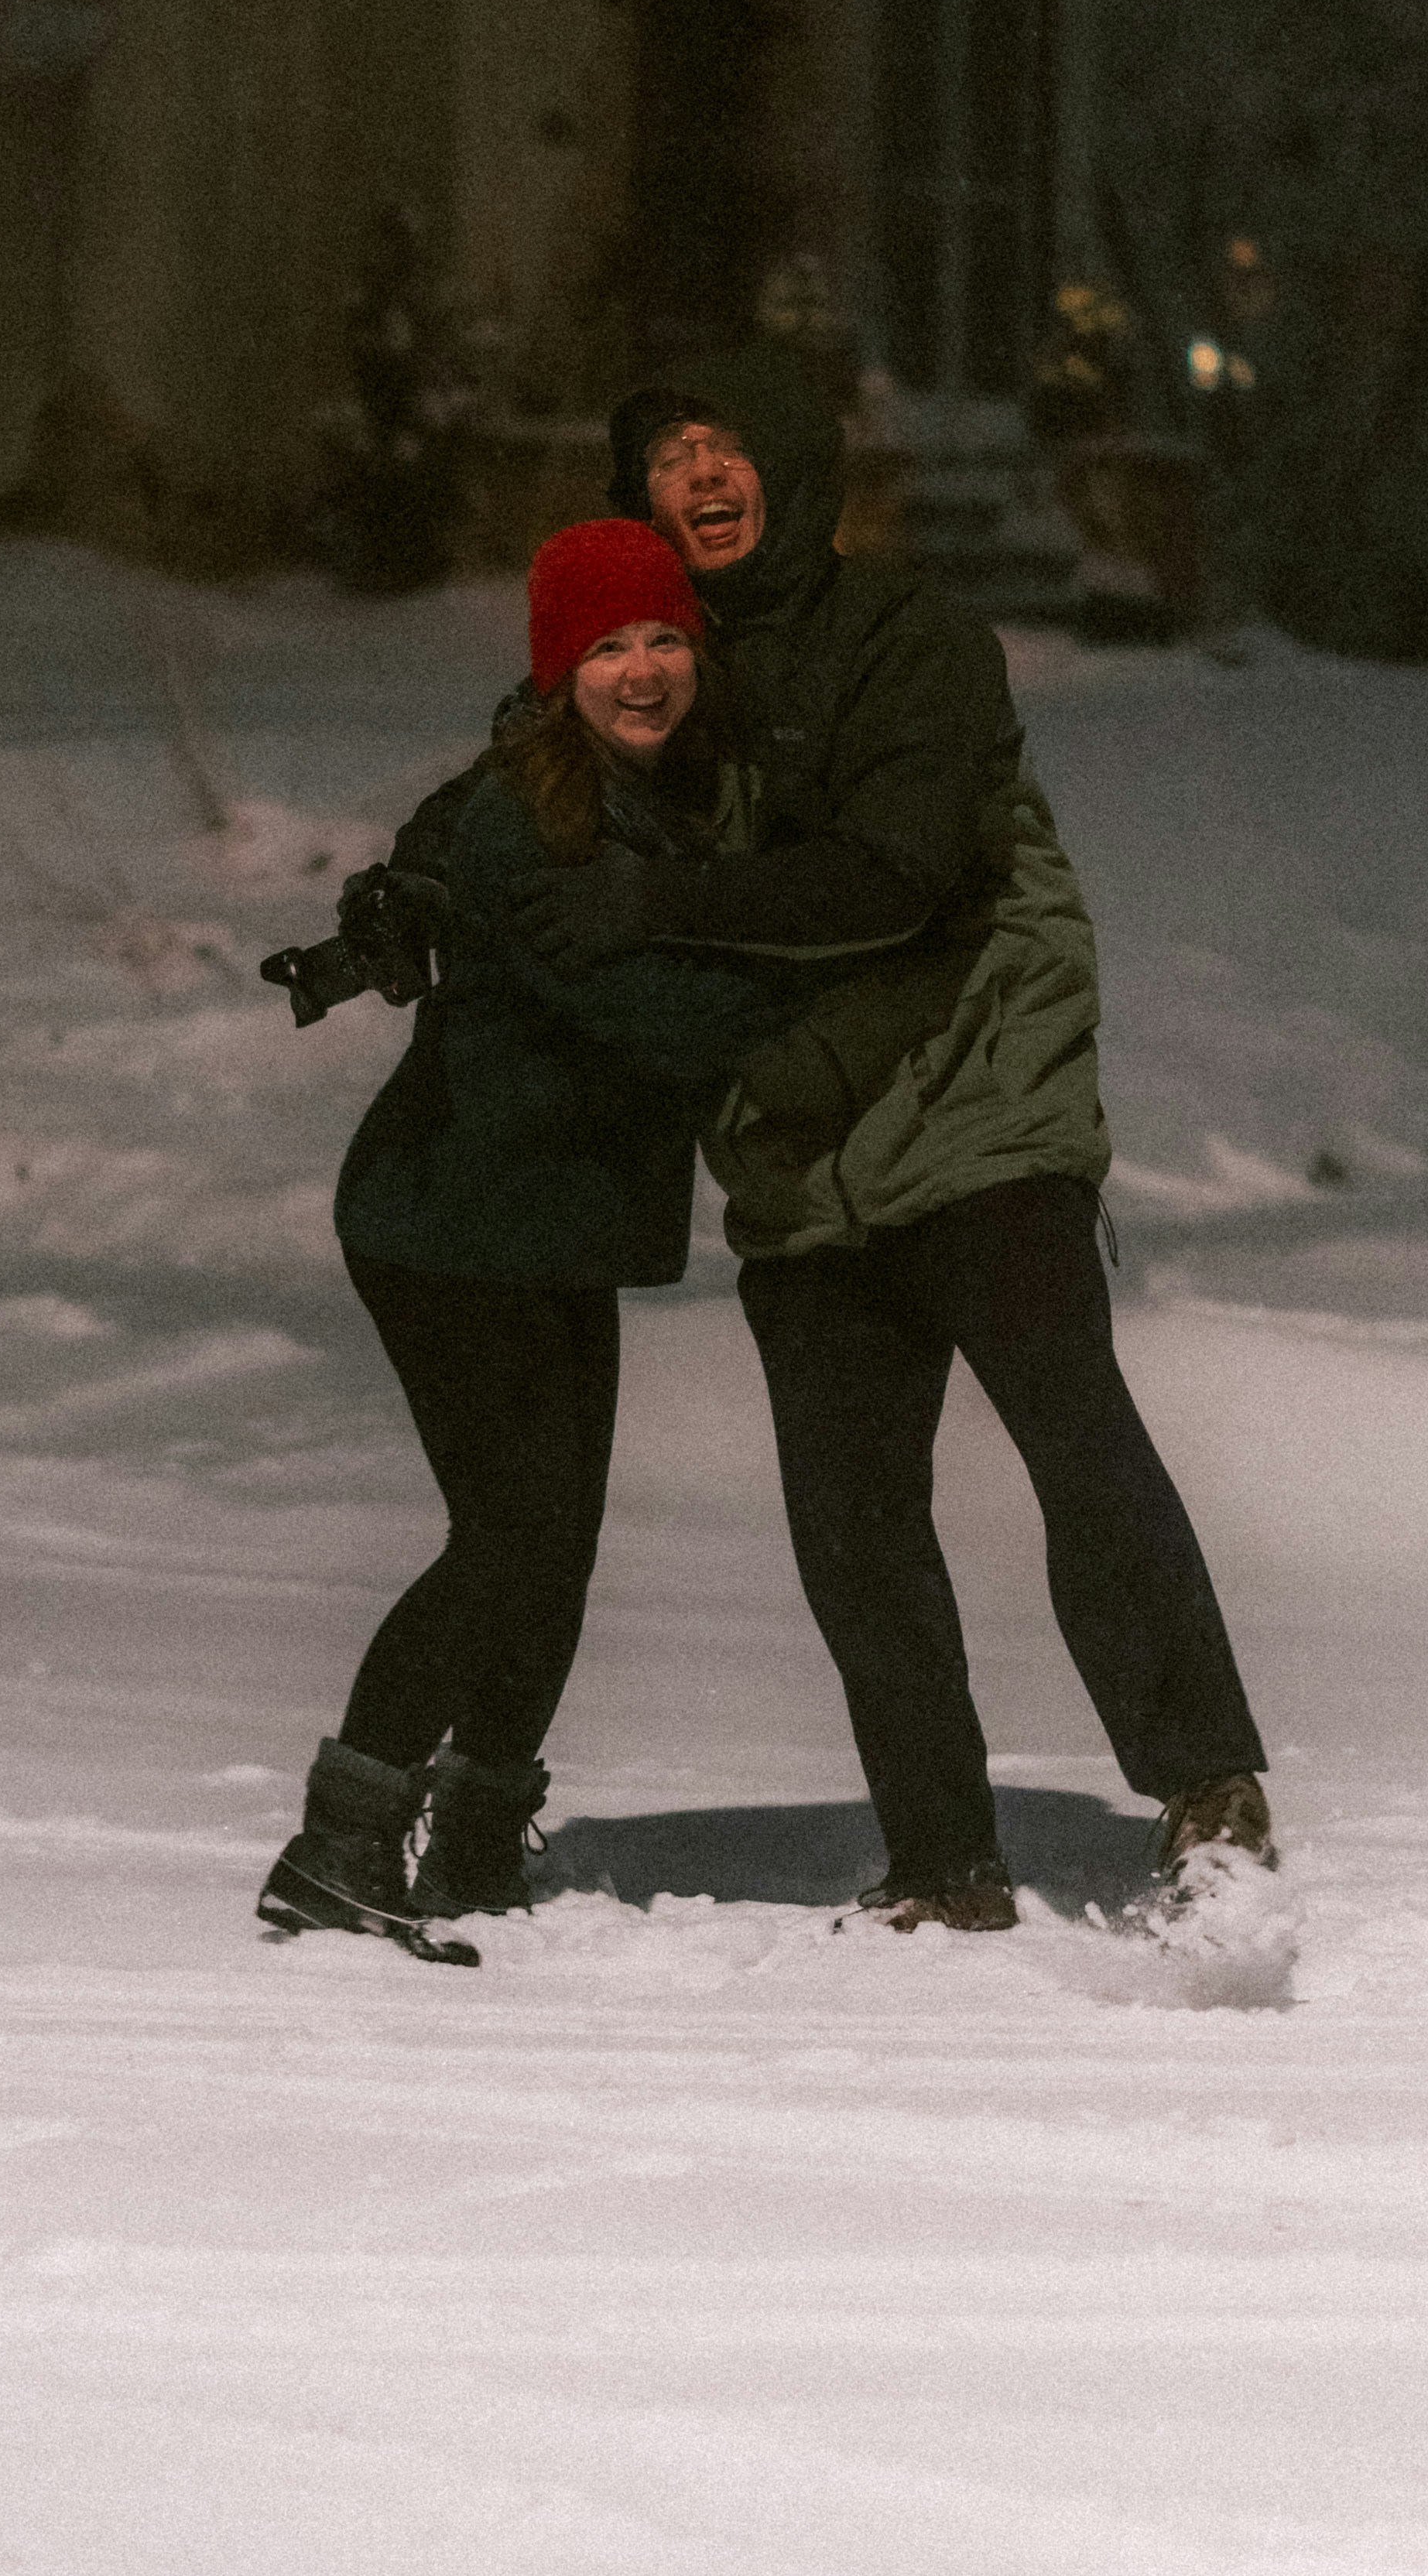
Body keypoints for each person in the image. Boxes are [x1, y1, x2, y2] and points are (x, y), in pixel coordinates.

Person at [484, 336, 1275, 1939]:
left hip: (974, 1110)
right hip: (799, 1157)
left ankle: (1210, 1798)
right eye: (664, 456)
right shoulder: (656, 669)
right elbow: (539, 825)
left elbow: (895, 878)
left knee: (1077, 1448)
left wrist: (664, 907)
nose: (695, 476)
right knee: (852, 1528)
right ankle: (940, 1865)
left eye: (722, 441)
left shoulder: (910, 642)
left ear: (790, 456)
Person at [257, 521, 805, 1962]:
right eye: (606, 647)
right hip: (447, 1222)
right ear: (559, 672)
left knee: (554, 1553)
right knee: (509, 1542)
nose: (642, 671)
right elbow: (645, 1009)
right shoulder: (528, 819)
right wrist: (831, 1010)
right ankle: (341, 1843)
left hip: (551, 1226)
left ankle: (480, 1838)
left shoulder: (678, 797)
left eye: (664, 639)